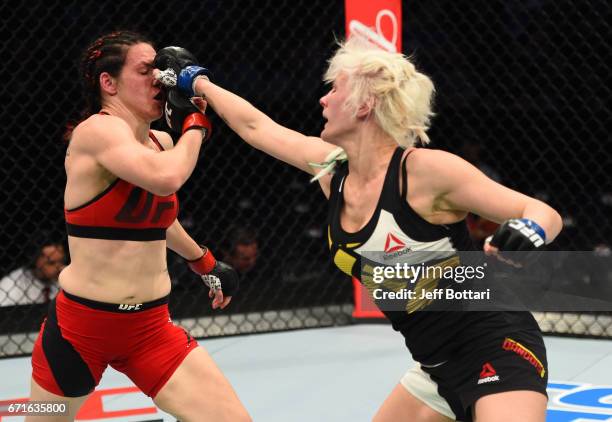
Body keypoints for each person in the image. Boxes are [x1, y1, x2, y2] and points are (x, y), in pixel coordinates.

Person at [156, 37, 563, 421]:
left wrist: (528, 231)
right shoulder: (334, 172)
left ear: (364, 105)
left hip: (496, 345)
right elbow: (258, 129)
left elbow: (541, 211)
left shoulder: (424, 172)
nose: (323, 98)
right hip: (434, 368)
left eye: (334, 89)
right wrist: (199, 81)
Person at [28, 31, 250, 422]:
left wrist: (205, 262)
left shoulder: (160, 143)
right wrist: (196, 123)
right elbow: (166, 179)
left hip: (150, 330)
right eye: (146, 70)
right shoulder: (96, 131)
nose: (160, 80)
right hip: (81, 332)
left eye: (162, 71)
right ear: (108, 82)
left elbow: (158, 216)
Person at [0, 241, 65, 307]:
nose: (60, 268)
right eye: (51, 263)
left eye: (61, 261)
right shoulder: (11, 284)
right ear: (36, 260)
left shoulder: (65, 280)